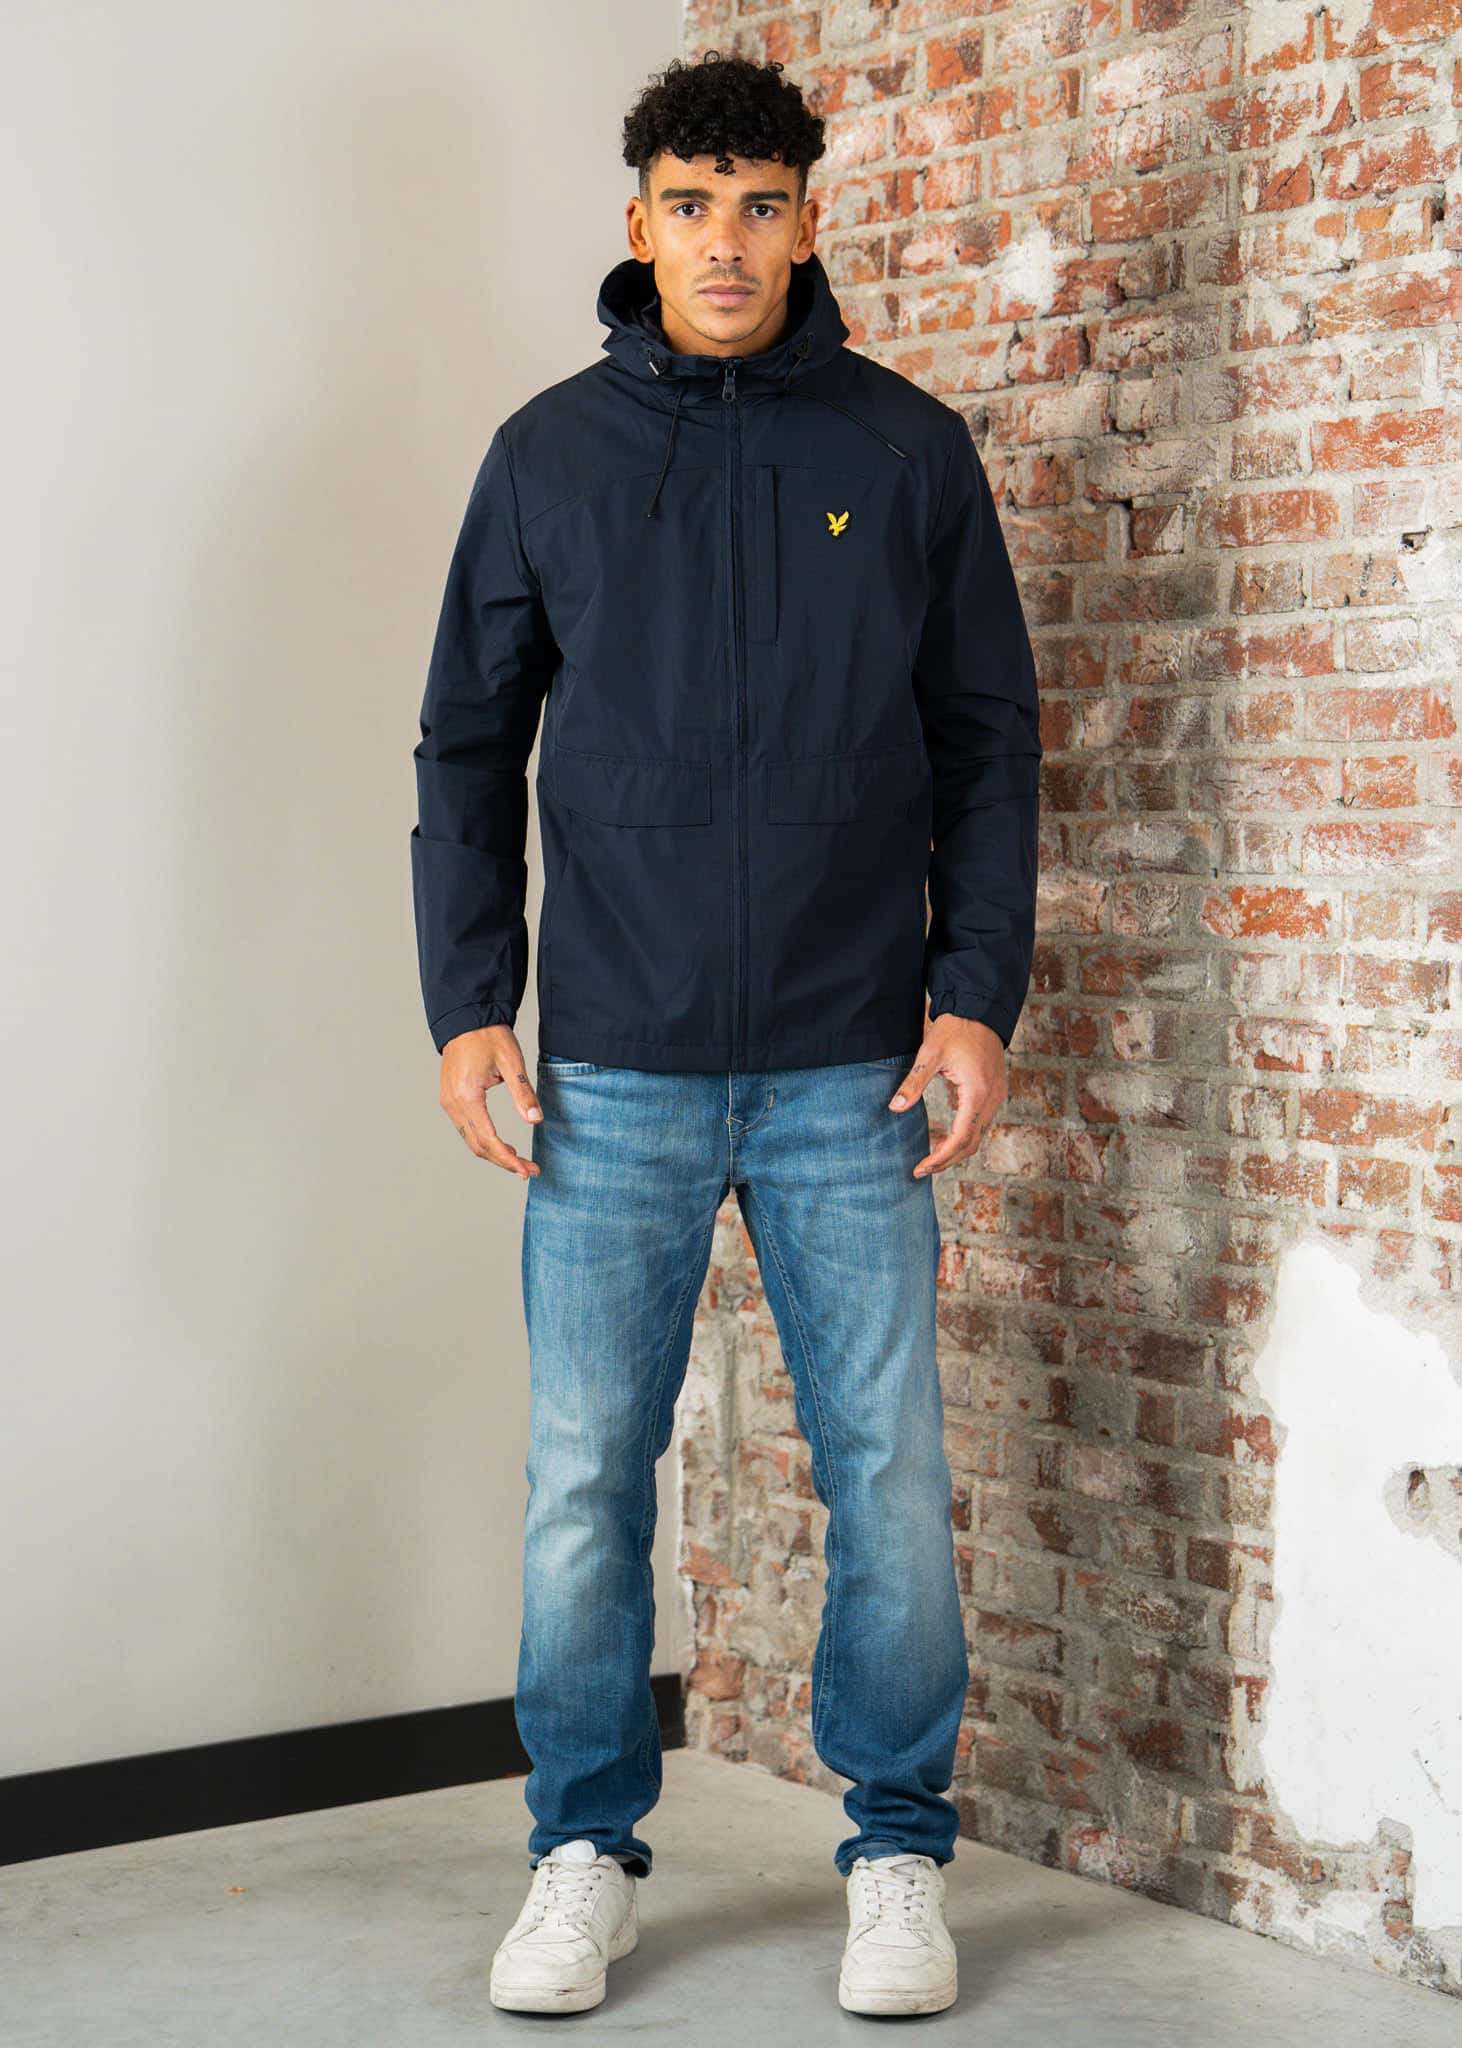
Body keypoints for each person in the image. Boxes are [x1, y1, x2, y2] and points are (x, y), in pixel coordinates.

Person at [409, 48, 1041, 2020]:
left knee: (888, 1477)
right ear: (638, 223)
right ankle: (583, 1848)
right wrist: (468, 1005)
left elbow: (988, 746)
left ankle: (895, 1851)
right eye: (690, 205)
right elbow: (463, 749)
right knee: (585, 1486)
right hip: (612, 1065)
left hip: (857, 1065)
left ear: (805, 221)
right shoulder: (546, 456)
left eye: (760, 206)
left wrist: (973, 994)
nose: (725, 242)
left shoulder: (906, 451)